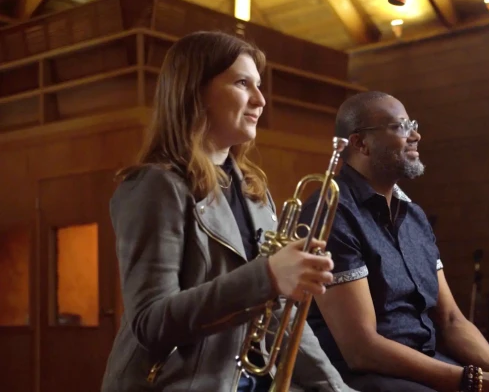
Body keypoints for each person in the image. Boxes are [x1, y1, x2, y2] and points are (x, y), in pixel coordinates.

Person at [100, 30, 356, 392]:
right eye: (242, 83)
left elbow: (281, 316)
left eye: (259, 86)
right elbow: (150, 323)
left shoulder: (254, 190)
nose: (260, 100)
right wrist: (267, 276)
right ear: (195, 92)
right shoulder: (155, 186)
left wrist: (336, 389)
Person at [298, 91, 489, 392]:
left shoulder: (414, 216)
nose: (416, 135)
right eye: (400, 127)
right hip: (369, 376)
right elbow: (362, 349)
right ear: (360, 143)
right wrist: (474, 380)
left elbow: (452, 320)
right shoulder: (332, 211)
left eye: (412, 124)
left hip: (428, 364)